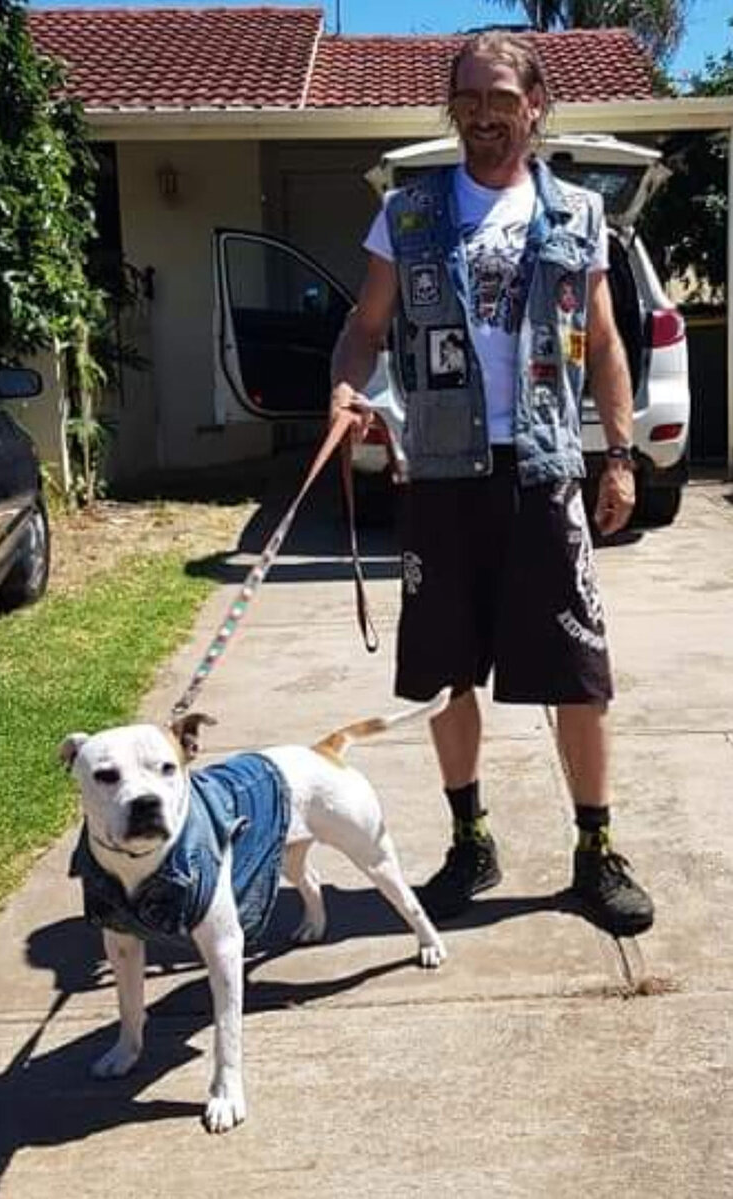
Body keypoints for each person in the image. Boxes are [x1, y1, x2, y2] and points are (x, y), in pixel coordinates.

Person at [328, 32, 654, 937]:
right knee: (444, 672)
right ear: (452, 107)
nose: (482, 112)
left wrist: (618, 453)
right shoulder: (411, 212)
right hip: (439, 472)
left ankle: (596, 851)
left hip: (545, 470)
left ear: (535, 105)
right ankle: (470, 839)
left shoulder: (578, 214)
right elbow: (366, 326)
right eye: (467, 96)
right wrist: (348, 389)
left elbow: (605, 341)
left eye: (500, 95)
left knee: (578, 672)